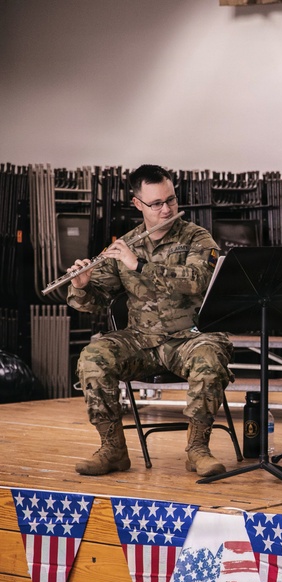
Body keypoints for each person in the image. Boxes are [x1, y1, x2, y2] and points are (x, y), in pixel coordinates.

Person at [68, 164, 232, 477]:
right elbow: (94, 301)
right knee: (93, 356)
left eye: (171, 199)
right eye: (156, 203)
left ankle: (198, 448)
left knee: (210, 354)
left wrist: (140, 265)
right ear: (138, 205)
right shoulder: (124, 245)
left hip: (189, 337)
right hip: (141, 340)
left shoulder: (198, 238)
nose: (167, 208)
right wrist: (82, 285)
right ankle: (113, 448)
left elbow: (198, 280)